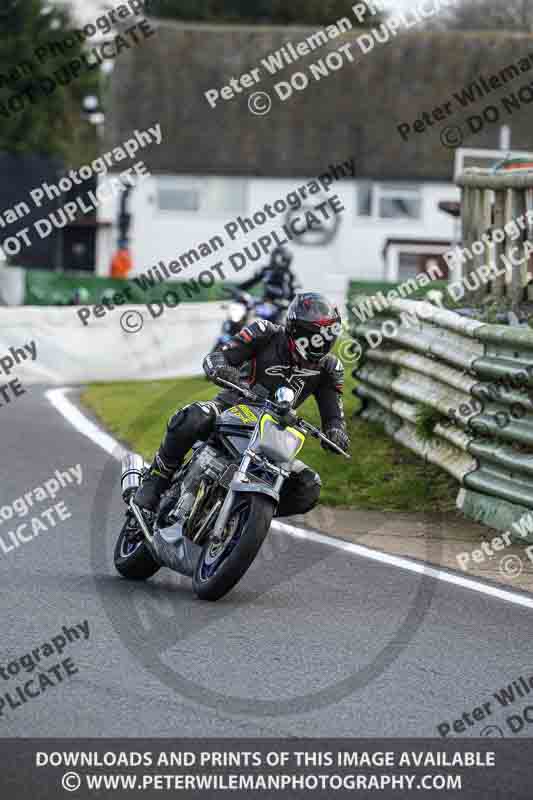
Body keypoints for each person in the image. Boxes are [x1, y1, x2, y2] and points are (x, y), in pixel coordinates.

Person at [134, 292, 350, 517]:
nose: (320, 342)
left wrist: (336, 432)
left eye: (326, 336)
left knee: (309, 486)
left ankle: (242, 514)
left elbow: (334, 416)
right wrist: (221, 368)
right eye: (314, 334)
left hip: (274, 432)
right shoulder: (265, 332)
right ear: (295, 328)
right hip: (230, 408)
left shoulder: (330, 368)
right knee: (194, 416)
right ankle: (156, 479)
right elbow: (218, 356)